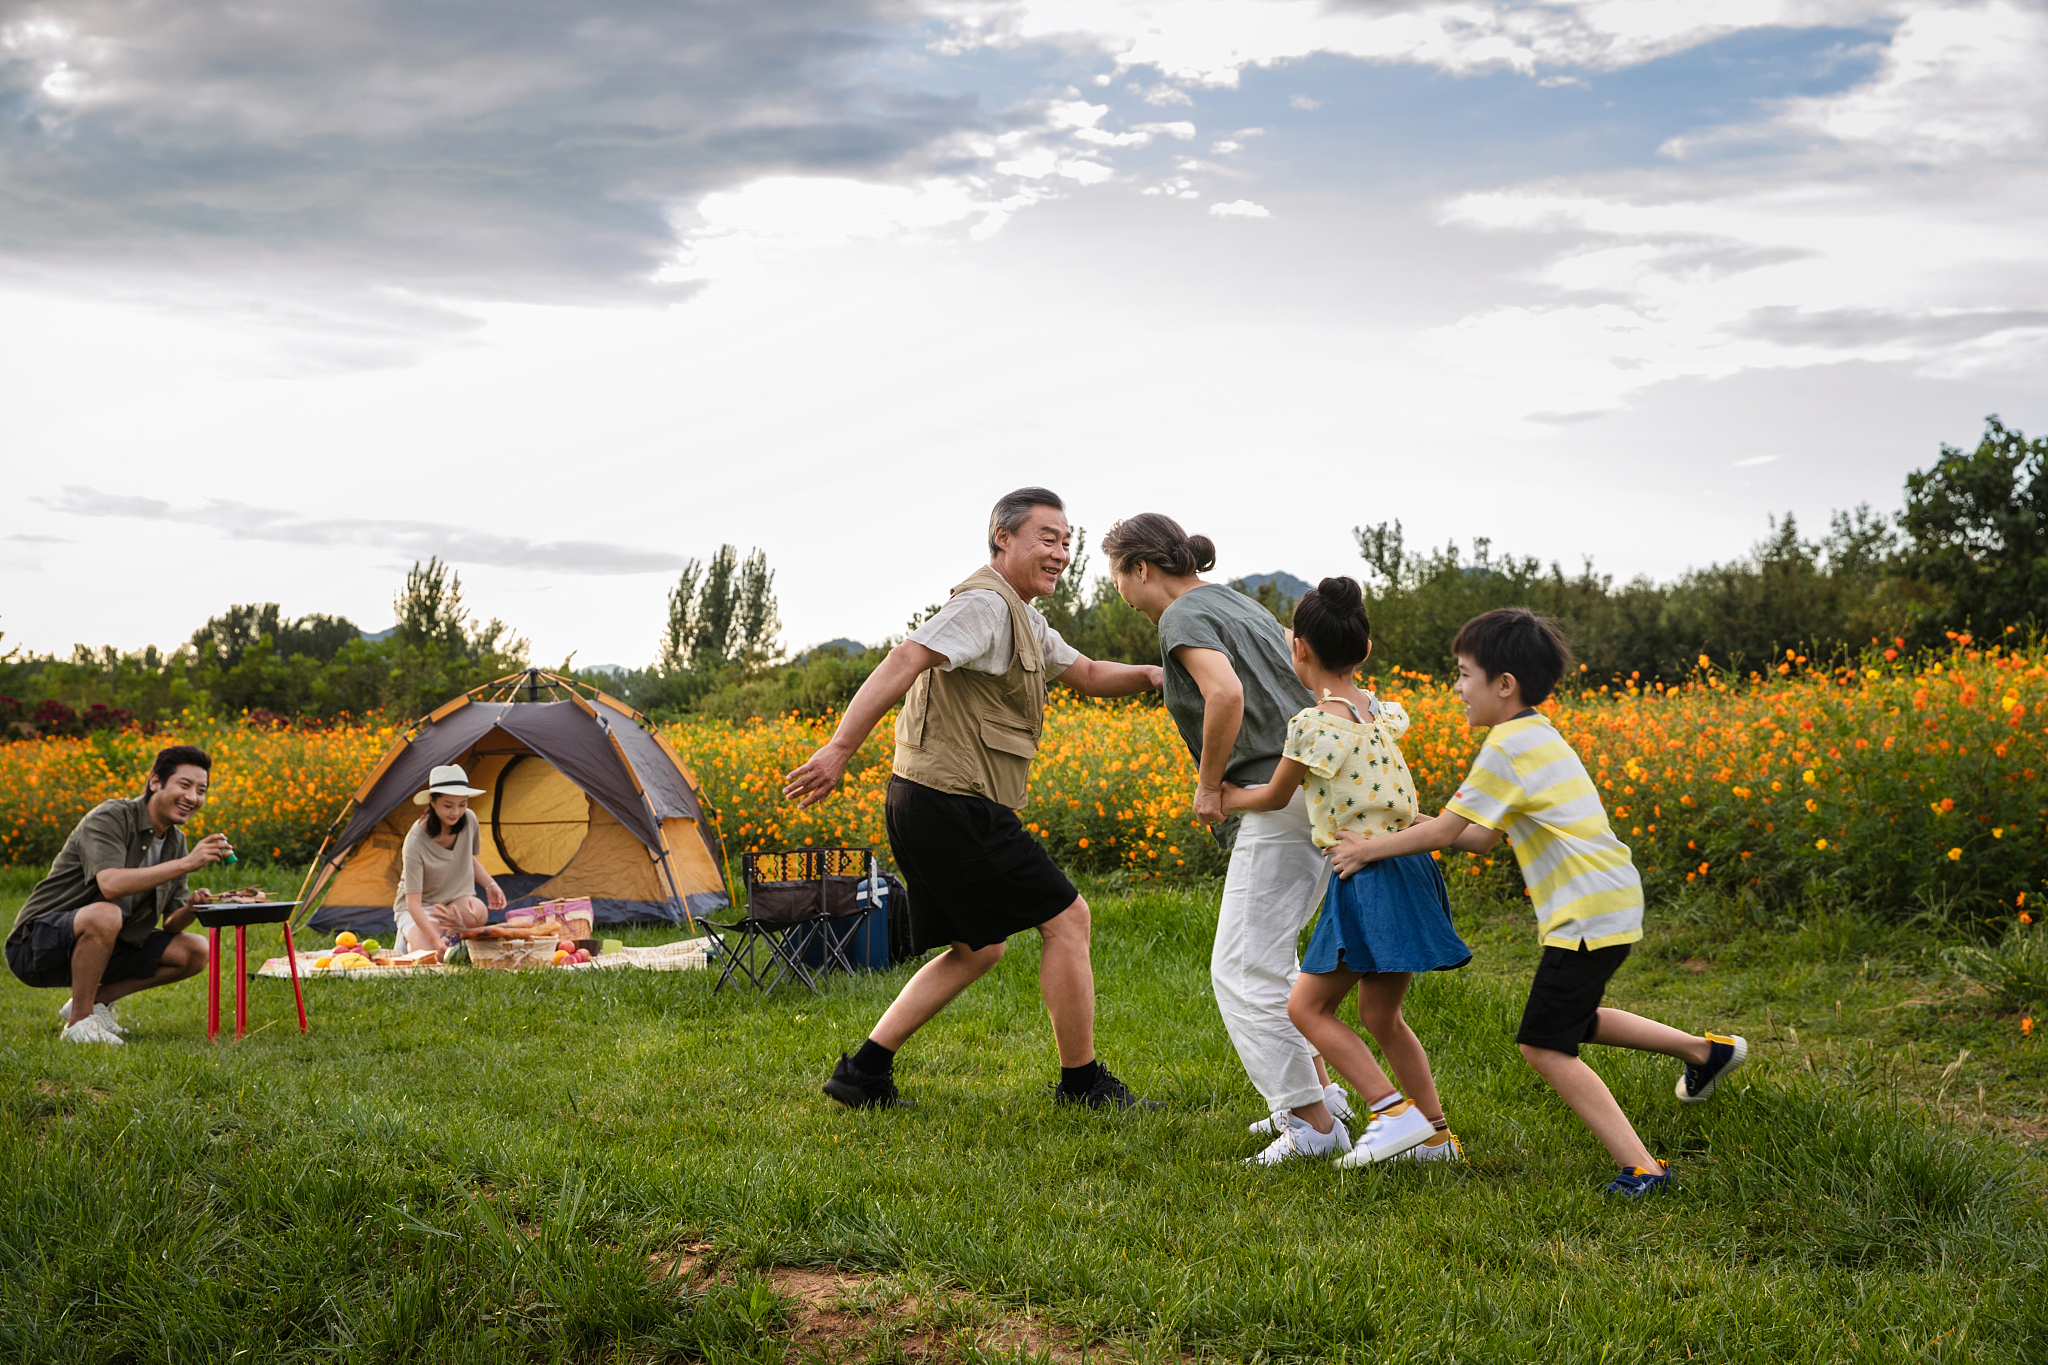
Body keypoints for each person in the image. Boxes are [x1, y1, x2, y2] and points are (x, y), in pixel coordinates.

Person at [1330, 608, 1749, 1196]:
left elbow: (1448, 834)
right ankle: (1707, 1052)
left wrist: (1369, 849)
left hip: (1586, 907)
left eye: (1463, 673)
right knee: (1570, 1018)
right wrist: (1408, 823)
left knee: (1543, 1043)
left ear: (1504, 684)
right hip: (1609, 897)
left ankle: (1643, 1170)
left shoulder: (1507, 746)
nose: (1456, 687)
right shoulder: (1537, 734)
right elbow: (1478, 835)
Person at [786, 487, 1165, 1110]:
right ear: (1003, 539)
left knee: (979, 947)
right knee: (1069, 920)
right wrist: (839, 748)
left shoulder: (1021, 616)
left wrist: (1157, 674)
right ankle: (1083, 1085)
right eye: (1047, 538)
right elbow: (906, 656)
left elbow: (1090, 674)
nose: (1061, 552)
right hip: (951, 802)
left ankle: (863, 1073)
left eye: (1067, 541)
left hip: (930, 800)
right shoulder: (985, 606)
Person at [1102, 514, 1354, 1161]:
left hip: (1279, 794)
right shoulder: (1238, 601)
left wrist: (1208, 784)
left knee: (1241, 967)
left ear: (1140, 568)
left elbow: (1226, 694)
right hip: (1313, 787)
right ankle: (1324, 1097)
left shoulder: (1181, 617)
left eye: (1115, 575)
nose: (1118, 592)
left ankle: (1313, 1127)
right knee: (1273, 957)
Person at [1222, 577, 1472, 1166]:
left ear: (1299, 650)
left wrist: (1222, 795)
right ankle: (1436, 1136)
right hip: (1412, 864)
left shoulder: (1314, 725)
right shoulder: (1382, 714)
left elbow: (1274, 794)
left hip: (1367, 876)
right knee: (1383, 1016)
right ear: (1363, 651)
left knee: (1305, 1009)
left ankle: (1391, 1113)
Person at [5, 744, 233, 1044]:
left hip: (106, 944)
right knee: (106, 912)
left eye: (201, 790)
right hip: (37, 946)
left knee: (195, 950)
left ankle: (94, 1003)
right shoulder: (111, 817)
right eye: (185, 785)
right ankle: (79, 1024)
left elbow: (170, 925)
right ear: (155, 782)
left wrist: (192, 906)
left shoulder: (176, 842)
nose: (193, 797)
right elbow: (110, 885)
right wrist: (187, 864)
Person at [392, 764, 506, 957]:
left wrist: (490, 884)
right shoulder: (415, 841)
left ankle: (446, 933)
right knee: (430, 955)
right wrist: (435, 939)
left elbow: (467, 857)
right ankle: (408, 936)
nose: (456, 812)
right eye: (448, 805)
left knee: (478, 912)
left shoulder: (469, 820)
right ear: (432, 801)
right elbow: (413, 903)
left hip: (454, 900)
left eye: (462, 804)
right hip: (421, 906)